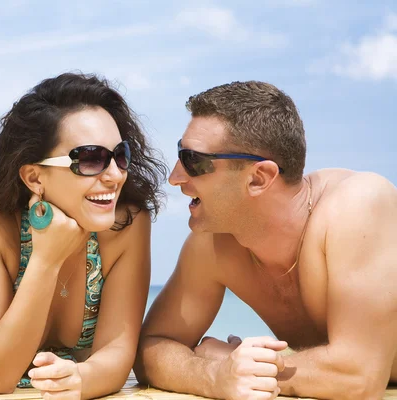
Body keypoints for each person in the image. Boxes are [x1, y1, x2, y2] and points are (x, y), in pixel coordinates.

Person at [0, 72, 167, 399]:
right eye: (90, 159)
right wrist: (46, 258)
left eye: (120, 156)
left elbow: (117, 355)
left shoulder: (126, 223)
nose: (115, 175)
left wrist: (81, 380)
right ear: (34, 176)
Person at [134, 80, 397, 400]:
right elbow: (151, 349)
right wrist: (215, 375)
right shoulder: (215, 242)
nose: (175, 177)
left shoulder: (357, 207)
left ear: (259, 178)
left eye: (194, 161)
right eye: (181, 154)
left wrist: (237, 364)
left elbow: (359, 377)